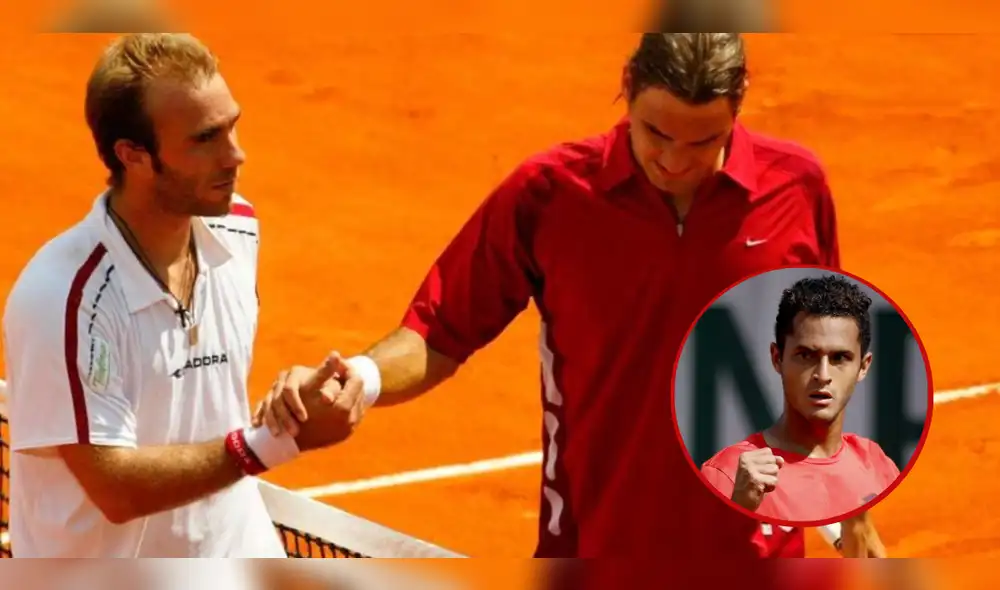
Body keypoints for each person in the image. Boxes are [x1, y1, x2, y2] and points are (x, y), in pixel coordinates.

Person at [256, 33, 865, 559]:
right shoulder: (550, 195)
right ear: (626, 86)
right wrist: (360, 377)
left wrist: (848, 504)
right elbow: (440, 329)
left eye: (703, 142)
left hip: (755, 558)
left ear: (740, 105)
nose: (675, 161)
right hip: (592, 552)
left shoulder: (797, 187)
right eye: (656, 132)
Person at [1, 33, 362, 558]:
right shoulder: (64, 297)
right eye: (205, 139)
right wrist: (271, 443)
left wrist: (287, 405)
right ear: (134, 155)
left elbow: (208, 395)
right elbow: (115, 489)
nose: (235, 155)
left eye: (232, 126)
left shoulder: (237, 228)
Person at [700, 274, 902, 523]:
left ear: (863, 366)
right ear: (777, 358)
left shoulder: (879, 466)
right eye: (806, 355)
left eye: (840, 358)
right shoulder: (728, 475)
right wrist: (739, 510)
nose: (823, 375)